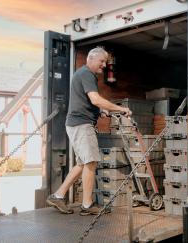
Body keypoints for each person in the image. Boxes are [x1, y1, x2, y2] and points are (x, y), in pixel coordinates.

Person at [46, 47, 132, 215]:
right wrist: (120, 109)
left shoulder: (84, 74)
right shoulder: (86, 74)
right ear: (91, 59)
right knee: (91, 162)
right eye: (102, 61)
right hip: (81, 125)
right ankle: (87, 205)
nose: (104, 65)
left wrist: (99, 111)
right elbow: (95, 99)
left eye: (106, 62)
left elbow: (87, 102)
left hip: (77, 123)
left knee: (82, 163)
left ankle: (58, 195)